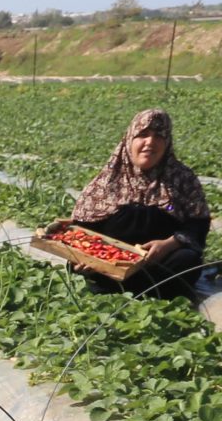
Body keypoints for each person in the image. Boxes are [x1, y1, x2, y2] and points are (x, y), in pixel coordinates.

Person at [64, 107, 212, 297]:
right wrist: (85, 259)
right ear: (129, 140)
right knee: (76, 264)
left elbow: (198, 224)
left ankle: (152, 297)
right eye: (143, 134)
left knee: (187, 260)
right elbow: (82, 231)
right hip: (109, 265)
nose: (150, 142)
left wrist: (169, 243)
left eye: (159, 136)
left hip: (159, 267)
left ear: (167, 143)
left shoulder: (182, 178)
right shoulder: (107, 181)